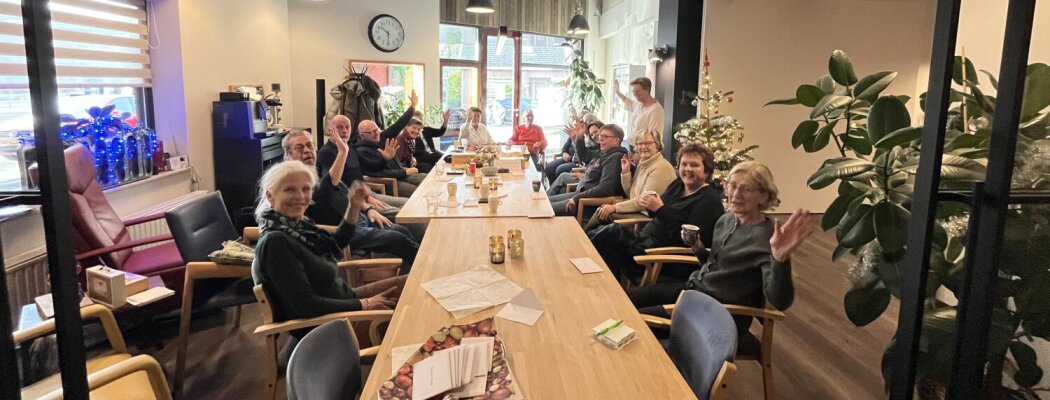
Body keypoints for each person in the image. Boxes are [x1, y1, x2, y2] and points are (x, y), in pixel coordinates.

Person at [626, 161, 814, 337]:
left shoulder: (767, 239)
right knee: (626, 301)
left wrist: (780, 258)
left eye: (746, 189)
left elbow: (780, 302)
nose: (735, 194)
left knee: (634, 323)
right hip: (696, 291)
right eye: (732, 185)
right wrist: (698, 248)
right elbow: (717, 264)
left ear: (764, 196)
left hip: (721, 313)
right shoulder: (726, 220)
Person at [253, 161, 407, 339]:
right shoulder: (277, 243)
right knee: (412, 315)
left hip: (343, 301)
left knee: (414, 284)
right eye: (290, 190)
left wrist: (354, 205)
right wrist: (365, 304)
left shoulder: (297, 227)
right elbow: (307, 306)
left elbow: (335, 243)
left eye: (306, 189)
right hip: (328, 328)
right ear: (270, 196)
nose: (300, 196)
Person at [282, 129, 420, 271]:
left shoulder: (315, 171)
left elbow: (343, 190)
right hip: (341, 230)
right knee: (396, 237)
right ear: (287, 155)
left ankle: (415, 275)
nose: (307, 151)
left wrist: (368, 209)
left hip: (359, 218)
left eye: (310, 146)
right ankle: (425, 267)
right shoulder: (291, 180)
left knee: (401, 230)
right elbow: (325, 188)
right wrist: (343, 152)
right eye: (299, 148)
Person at [588, 143, 723, 282]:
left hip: (666, 256)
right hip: (647, 241)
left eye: (694, 165)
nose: (688, 169)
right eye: (684, 164)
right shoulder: (678, 185)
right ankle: (603, 283)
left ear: (706, 171)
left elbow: (690, 240)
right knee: (608, 242)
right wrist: (651, 205)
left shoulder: (709, 200)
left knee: (613, 233)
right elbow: (657, 212)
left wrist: (660, 209)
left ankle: (586, 261)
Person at [312, 115, 405, 217]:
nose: (344, 131)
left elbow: (371, 167)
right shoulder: (326, 152)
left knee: (406, 204)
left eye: (347, 127)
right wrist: (365, 201)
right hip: (352, 201)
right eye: (340, 127)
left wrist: (385, 159)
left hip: (367, 195)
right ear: (330, 130)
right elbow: (335, 184)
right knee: (401, 213)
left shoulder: (351, 148)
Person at [584, 129, 676, 231]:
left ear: (657, 145)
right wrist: (626, 172)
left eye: (648, 143)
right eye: (639, 144)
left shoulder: (661, 167)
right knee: (602, 212)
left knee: (601, 213)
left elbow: (644, 202)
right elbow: (630, 194)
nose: (643, 147)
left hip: (646, 218)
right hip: (636, 210)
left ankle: (583, 240)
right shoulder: (643, 163)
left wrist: (615, 207)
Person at [548, 124, 629, 216]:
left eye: (605, 137)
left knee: (545, 209)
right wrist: (579, 138)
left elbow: (604, 189)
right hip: (581, 195)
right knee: (545, 203)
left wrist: (577, 198)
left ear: (616, 140)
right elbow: (584, 156)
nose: (601, 139)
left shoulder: (615, 157)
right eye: (600, 136)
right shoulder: (604, 153)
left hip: (588, 203)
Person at [354, 119, 428, 197]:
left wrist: (405, 169)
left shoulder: (379, 142)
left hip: (399, 175)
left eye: (376, 130)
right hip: (388, 182)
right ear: (362, 135)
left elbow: (394, 164)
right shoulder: (361, 151)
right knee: (420, 191)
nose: (376, 134)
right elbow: (379, 173)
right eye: (371, 132)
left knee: (427, 179)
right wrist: (405, 172)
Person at [547, 121, 602, 195]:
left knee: (562, 173)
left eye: (595, 132)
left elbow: (582, 159)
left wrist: (585, 175)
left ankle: (545, 200)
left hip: (588, 182)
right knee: (561, 187)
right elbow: (584, 156)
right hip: (586, 176)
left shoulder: (612, 155)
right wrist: (577, 138)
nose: (594, 135)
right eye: (591, 134)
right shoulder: (598, 148)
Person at [613, 77, 665, 149]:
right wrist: (618, 92)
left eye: (637, 91)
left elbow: (654, 136)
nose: (634, 94)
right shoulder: (639, 104)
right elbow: (629, 102)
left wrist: (640, 151)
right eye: (633, 91)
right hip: (631, 146)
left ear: (647, 89)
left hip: (642, 149)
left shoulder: (656, 110)